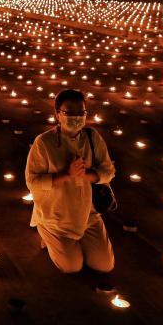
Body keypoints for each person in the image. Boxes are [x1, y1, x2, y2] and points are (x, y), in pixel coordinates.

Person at [25, 89, 116, 274]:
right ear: (58, 114)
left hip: (87, 214)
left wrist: (86, 174)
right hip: (56, 217)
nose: (75, 117)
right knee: (72, 267)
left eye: (80, 112)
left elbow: (108, 172)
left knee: (104, 265)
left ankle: (78, 242)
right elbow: (33, 181)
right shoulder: (44, 142)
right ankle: (46, 233)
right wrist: (67, 174)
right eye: (69, 112)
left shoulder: (92, 138)